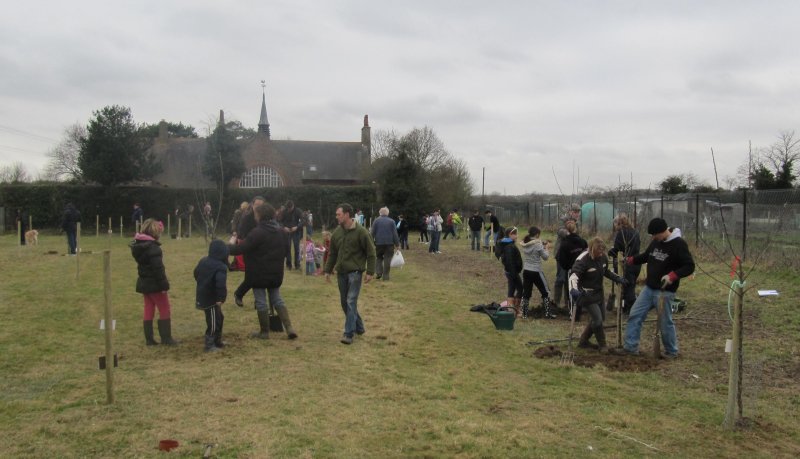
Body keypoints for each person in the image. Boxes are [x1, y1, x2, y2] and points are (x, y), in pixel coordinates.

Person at [617, 218, 694, 358]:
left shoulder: (679, 244)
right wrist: (631, 260)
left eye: (655, 235)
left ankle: (671, 352)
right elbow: (647, 256)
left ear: (662, 231)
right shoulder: (656, 242)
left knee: (665, 322)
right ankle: (630, 348)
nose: (653, 238)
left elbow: (689, 266)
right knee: (635, 314)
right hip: (649, 288)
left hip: (664, 291)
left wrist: (673, 275)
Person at [229, 202, 298, 340]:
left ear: (260, 215)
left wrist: (229, 245)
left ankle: (264, 332)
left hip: (258, 273)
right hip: (276, 273)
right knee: (277, 299)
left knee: (261, 301)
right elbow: (286, 251)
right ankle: (289, 328)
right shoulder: (281, 231)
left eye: (255, 214)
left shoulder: (257, 232)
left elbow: (241, 249)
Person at [324, 203, 376, 345]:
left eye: (338, 214)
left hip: (355, 273)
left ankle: (348, 334)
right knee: (344, 303)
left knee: (350, 301)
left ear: (347, 214)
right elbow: (332, 253)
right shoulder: (337, 233)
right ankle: (359, 327)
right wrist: (327, 270)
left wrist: (370, 272)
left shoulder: (362, 232)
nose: (337, 217)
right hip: (341, 273)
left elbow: (371, 253)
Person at [569, 237, 627, 352]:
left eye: (602, 251)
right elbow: (573, 276)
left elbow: (606, 271)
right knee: (598, 319)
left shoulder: (603, 258)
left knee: (600, 319)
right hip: (585, 294)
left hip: (598, 293)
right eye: (598, 251)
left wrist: (617, 278)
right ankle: (603, 345)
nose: (601, 253)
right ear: (592, 249)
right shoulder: (583, 260)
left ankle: (583, 341)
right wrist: (574, 291)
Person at [130, 219, 178, 346]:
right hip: (155, 284)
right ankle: (166, 338)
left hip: (144, 282)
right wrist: (164, 285)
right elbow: (158, 269)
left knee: (148, 309)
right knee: (165, 308)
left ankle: (149, 339)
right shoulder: (153, 249)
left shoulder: (139, 247)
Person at [194, 239, 229, 352]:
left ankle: (217, 340)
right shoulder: (221, 267)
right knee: (213, 321)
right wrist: (220, 298)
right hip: (211, 299)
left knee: (219, 318)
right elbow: (220, 284)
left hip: (203, 295)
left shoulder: (203, 261)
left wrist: (202, 282)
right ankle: (209, 345)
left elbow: (196, 273)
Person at [233, 196, 265, 303]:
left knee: (261, 276)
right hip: (250, 249)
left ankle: (258, 300)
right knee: (250, 277)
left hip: (262, 250)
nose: (258, 207)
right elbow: (242, 234)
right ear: (252, 205)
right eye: (257, 205)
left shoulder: (266, 217)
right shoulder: (247, 217)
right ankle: (239, 294)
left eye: (261, 205)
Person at [608, 213, 641, 315]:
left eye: (615, 224)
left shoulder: (621, 233)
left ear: (619, 223)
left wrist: (610, 252)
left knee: (627, 287)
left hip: (626, 264)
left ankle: (630, 309)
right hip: (636, 261)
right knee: (631, 285)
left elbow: (618, 250)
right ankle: (626, 306)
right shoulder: (635, 232)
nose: (615, 226)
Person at [520, 226, 556, 319]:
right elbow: (545, 257)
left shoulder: (525, 242)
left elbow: (534, 248)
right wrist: (546, 248)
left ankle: (524, 314)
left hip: (526, 270)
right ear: (536, 234)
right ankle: (548, 313)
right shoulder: (537, 244)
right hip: (536, 271)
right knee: (546, 292)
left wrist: (541, 246)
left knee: (526, 293)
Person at [556, 220, 588, 316]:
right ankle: (581, 308)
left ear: (567, 230)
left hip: (571, 270)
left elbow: (561, 259)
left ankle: (572, 313)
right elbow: (586, 253)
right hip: (581, 269)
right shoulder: (582, 241)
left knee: (571, 290)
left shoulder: (564, 244)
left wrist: (567, 267)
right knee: (580, 287)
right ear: (576, 229)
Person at [496, 227, 523, 316]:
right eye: (515, 234)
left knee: (512, 289)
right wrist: (514, 273)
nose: (517, 236)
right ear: (510, 235)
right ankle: (515, 310)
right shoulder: (509, 247)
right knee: (520, 288)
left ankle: (512, 309)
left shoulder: (509, 243)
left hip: (511, 271)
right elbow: (510, 261)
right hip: (512, 272)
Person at [370, 207, 400, 281]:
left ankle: (379, 272)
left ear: (380, 213)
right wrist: (397, 244)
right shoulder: (392, 221)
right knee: (388, 259)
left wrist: (370, 242)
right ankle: (386, 276)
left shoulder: (376, 221)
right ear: (387, 213)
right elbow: (394, 234)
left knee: (379, 257)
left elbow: (372, 233)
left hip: (379, 243)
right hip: (389, 243)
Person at [280, 200, 304, 270]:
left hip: (296, 232)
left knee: (297, 249)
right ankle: (288, 264)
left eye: (290, 208)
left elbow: (304, 220)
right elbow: (279, 221)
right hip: (287, 232)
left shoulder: (298, 211)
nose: (289, 210)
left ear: (293, 206)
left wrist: (297, 227)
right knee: (288, 248)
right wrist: (284, 227)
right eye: (288, 208)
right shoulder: (284, 211)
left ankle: (297, 264)